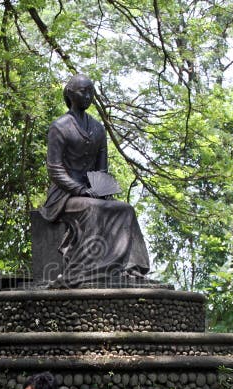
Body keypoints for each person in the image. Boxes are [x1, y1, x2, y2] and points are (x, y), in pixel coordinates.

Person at [40, 73, 150, 284]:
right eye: (84, 91)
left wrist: (103, 191)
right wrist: (80, 190)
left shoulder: (98, 129)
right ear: (71, 94)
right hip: (64, 196)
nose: (89, 96)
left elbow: (102, 169)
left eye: (92, 92)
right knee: (93, 208)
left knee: (124, 209)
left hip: (91, 192)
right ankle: (82, 272)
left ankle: (130, 267)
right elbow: (54, 169)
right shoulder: (60, 127)